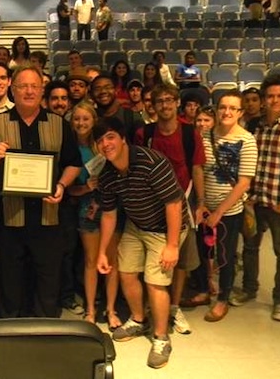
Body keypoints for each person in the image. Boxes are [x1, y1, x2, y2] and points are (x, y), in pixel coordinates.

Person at [0, 66, 82, 318]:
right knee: (11, 276)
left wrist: (62, 185)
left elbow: (74, 163)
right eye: (23, 86)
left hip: (49, 217)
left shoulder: (58, 124)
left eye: (34, 86)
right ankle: (12, 326)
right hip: (9, 218)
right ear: (13, 89)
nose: (29, 91)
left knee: (48, 276)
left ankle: (45, 328)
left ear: (42, 89)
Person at [94, 117, 189, 369]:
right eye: (100, 140)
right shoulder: (107, 174)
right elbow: (109, 214)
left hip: (167, 227)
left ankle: (161, 337)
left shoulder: (151, 161)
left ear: (123, 138)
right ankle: (138, 319)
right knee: (125, 272)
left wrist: (172, 245)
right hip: (137, 225)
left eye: (111, 137)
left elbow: (174, 203)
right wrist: (103, 251)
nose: (106, 144)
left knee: (155, 282)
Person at [231, 74, 280, 322]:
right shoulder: (256, 128)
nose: (274, 100)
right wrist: (248, 196)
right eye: (270, 96)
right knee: (251, 248)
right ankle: (249, 289)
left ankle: (279, 299)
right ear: (264, 100)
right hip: (255, 200)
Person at [135, 83, 206, 335]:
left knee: (181, 261)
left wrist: (201, 203)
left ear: (177, 102)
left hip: (184, 203)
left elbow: (197, 169)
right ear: (152, 106)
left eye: (169, 100)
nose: (164, 105)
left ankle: (174, 307)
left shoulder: (190, 134)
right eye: (159, 101)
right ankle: (150, 306)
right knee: (152, 260)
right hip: (153, 207)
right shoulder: (145, 134)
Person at [193, 91, 258, 322]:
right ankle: (203, 291)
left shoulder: (247, 140)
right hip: (204, 208)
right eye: (223, 107)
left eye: (233, 108)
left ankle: (222, 299)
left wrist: (219, 212)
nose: (227, 112)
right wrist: (201, 204)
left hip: (229, 211)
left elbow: (243, 183)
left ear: (240, 112)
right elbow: (198, 169)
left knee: (225, 257)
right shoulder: (204, 136)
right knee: (202, 252)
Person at [67, 101, 121, 329]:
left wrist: (101, 199)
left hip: (110, 210)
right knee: (90, 262)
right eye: (77, 119)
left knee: (111, 262)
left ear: (93, 121)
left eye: (85, 119)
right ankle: (90, 310)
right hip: (85, 212)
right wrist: (87, 188)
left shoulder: (103, 146)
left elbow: (117, 177)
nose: (81, 123)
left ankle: (110, 310)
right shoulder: (69, 148)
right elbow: (68, 189)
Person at [91, 73, 140, 141]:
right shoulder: (90, 119)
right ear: (91, 94)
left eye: (108, 87)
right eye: (97, 89)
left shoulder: (131, 117)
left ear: (116, 91)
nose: (103, 91)